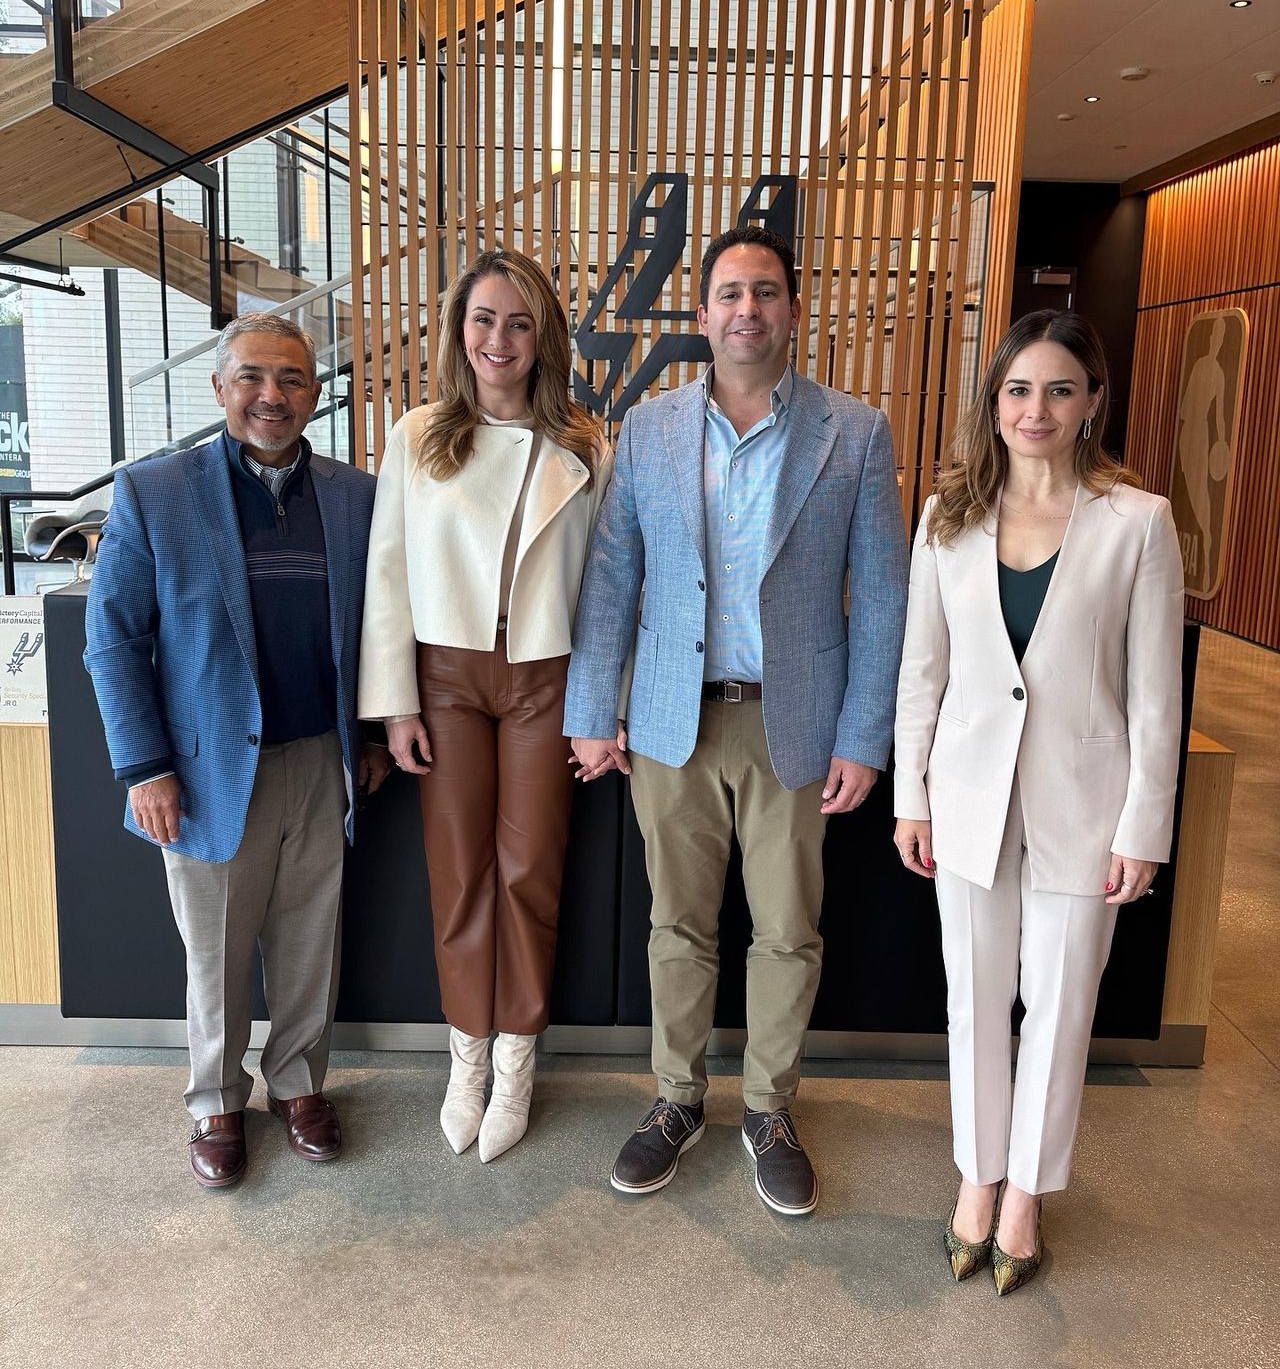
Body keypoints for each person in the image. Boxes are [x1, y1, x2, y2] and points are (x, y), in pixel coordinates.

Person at [566, 225, 908, 1216]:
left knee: (788, 930)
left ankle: (768, 1108)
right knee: (675, 924)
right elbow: (613, 576)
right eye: (728, 292)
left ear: (792, 309)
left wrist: (863, 736)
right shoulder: (650, 429)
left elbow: (883, 595)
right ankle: (676, 1098)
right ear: (703, 311)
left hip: (792, 724)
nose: (746, 309)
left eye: (764, 291)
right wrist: (591, 709)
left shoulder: (853, 431)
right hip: (671, 720)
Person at [893, 308, 1184, 1294]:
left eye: (1060, 389)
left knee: (1059, 1006)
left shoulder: (1136, 522)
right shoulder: (947, 516)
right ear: (994, 402)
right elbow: (921, 671)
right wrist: (911, 796)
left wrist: (1144, 825)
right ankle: (977, 1178)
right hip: (966, 798)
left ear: (1091, 401)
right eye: (1018, 389)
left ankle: (1026, 1194)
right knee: (973, 998)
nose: (1036, 409)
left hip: (1085, 804)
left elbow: (1154, 693)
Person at [85, 314, 391, 1190]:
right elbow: (113, 640)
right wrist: (144, 766)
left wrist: (372, 734)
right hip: (206, 769)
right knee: (215, 951)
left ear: (316, 394)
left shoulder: (355, 496)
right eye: (252, 376)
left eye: (292, 378)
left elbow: (379, 626)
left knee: (309, 942)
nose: (272, 395)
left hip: (320, 758)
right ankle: (216, 1102)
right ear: (219, 387)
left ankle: (298, 1087)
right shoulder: (155, 491)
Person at [359, 248, 612, 1163]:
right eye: (483, 319)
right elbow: (388, 572)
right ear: (457, 330)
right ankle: (465, 1057)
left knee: (529, 872)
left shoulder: (586, 444)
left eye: (518, 322)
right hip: (446, 678)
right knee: (459, 873)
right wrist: (394, 704)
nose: (498, 339)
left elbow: (608, 588)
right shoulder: (419, 433)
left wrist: (604, 706)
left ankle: (516, 1062)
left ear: (543, 336)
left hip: (546, 674)